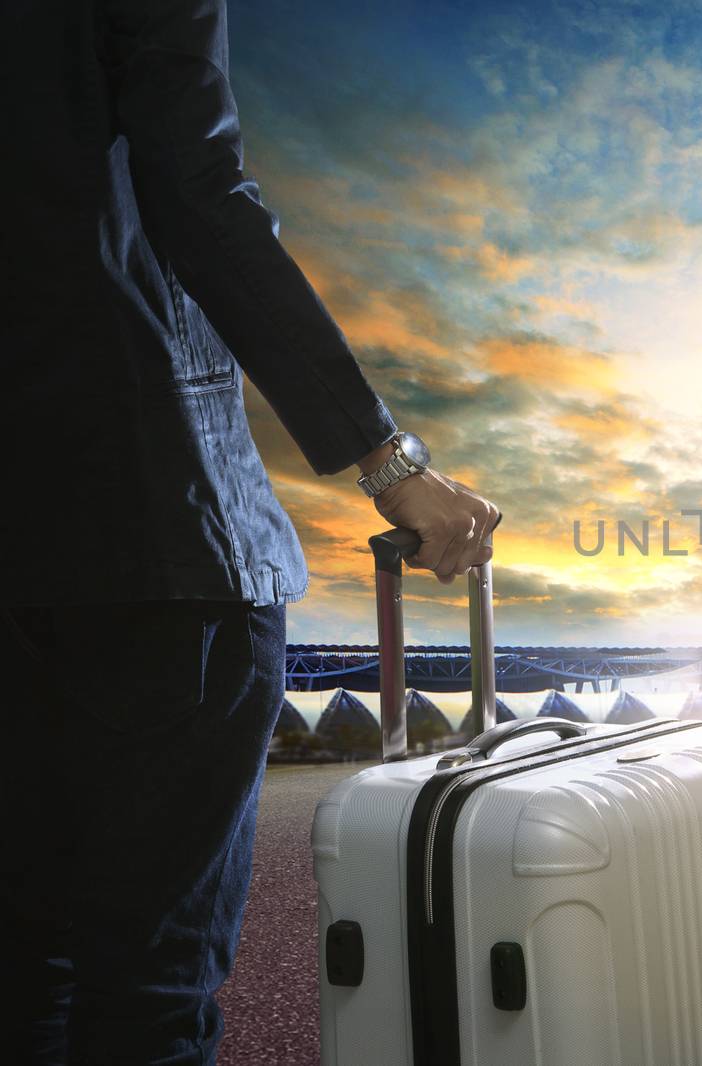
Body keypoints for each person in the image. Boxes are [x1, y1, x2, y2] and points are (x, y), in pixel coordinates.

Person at [0, 1, 498, 1061]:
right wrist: (387, 459)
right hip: (155, 535)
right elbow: (197, 186)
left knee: (22, 976)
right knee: (146, 996)